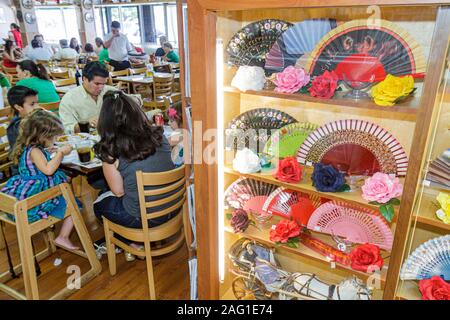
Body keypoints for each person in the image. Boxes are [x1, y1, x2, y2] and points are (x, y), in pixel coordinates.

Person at [93, 90, 178, 261]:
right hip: (173, 207)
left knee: (99, 203)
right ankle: (132, 241)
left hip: (144, 218)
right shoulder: (159, 137)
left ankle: (130, 241)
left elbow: (118, 192)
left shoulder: (110, 150)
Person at [1, 109, 78, 250]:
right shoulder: (35, 151)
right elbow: (48, 170)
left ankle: (57, 229)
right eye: (53, 137)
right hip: (35, 199)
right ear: (43, 136)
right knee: (74, 203)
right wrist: (60, 153)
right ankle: (63, 237)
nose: (54, 140)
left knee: (66, 181)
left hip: (26, 193)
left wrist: (49, 152)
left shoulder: (30, 148)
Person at [59, 61, 116, 133]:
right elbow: (66, 129)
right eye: (97, 84)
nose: (101, 88)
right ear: (84, 79)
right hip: (85, 140)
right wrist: (86, 125)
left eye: (103, 84)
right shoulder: (70, 99)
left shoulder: (111, 91)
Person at [6, 86, 39, 151]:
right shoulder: (17, 126)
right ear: (18, 107)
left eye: (37, 102)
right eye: (32, 104)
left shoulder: (31, 117)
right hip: (23, 158)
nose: (37, 107)